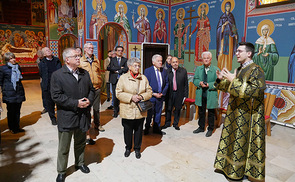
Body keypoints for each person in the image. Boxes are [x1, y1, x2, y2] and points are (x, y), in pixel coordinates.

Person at [214, 42, 266, 181]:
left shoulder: (257, 70)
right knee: (232, 140)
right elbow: (230, 86)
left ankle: (237, 171)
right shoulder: (239, 69)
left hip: (247, 115)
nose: (236, 53)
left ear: (249, 53)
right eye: (236, 51)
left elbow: (253, 91)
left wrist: (233, 80)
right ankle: (228, 167)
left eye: (239, 51)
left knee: (241, 142)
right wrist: (221, 80)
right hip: (235, 112)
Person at [51, 48, 95, 182]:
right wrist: (75, 103)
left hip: (83, 115)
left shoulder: (84, 73)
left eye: (78, 56)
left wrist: (89, 100)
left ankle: (80, 163)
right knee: (64, 146)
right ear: (67, 59)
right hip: (67, 116)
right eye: (75, 56)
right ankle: (61, 171)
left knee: (80, 143)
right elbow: (56, 96)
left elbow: (92, 90)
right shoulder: (58, 75)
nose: (78, 58)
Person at [116, 57, 152, 159]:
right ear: (130, 66)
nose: (137, 67)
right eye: (135, 65)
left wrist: (141, 97)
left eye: (139, 66)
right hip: (127, 109)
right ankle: (128, 148)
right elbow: (118, 93)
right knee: (127, 130)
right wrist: (131, 97)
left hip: (140, 110)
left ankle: (137, 148)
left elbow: (149, 91)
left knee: (139, 130)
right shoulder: (123, 78)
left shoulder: (143, 78)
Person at [192, 51, 219, 137]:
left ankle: (210, 129)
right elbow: (195, 79)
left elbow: (219, 82)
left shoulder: (216, 69)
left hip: (211, 93)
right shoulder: (199, 69)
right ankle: (201, 127)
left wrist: (209, 85)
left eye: (208, 58)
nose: (206, 60)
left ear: (210, 59)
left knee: (211, 112)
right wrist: (199, 83)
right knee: (201, 111)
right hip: (201, 93)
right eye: (204, 58)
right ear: (202, 59)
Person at [80, 43, 104, 135]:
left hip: (97, 88)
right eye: (89, 48)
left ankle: (97, 124)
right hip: (86, 89)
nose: (91, 49)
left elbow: (98, 72)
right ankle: (87, 126)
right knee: (87, 109)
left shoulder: (96, 60)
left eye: (92, 48)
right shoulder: (81, 61)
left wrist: (100, 82)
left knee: (97, 108)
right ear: (85, 49)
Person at [0, 52, 26, 134]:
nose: (13, 59)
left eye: (14, 57)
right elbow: (0, 81)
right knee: (11, 111)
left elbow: (20, 79)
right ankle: (12, 127)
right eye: (11, 58)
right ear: (7, 60)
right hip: (9, 92)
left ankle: (17, 126)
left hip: (18, 91)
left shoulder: (17, 66)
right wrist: (4, 91)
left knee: (18, 110)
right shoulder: (3, 69)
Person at [144, 54, 168, 135]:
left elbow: (167, 83)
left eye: (161, 61)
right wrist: (154, 94)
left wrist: (162, 93)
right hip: (151, 96)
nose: (160, 62)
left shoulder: (164, 71)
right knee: (149, 113)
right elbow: (146, 85)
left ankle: (156, 128)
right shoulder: (148, 71)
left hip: (160, 96)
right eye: (158, 61)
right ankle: (147, 128)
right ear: (153, 62)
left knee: (158, 113)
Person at [162, 57, 188, 131]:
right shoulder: (167, 71)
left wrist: (185, 95)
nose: (175, 63)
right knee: (168, 109)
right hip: (169, 94)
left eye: (176, 62)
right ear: (170, 63)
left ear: (178, 62)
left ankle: (176, 124)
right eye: (173, 62)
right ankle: (167, 123)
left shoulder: (183, 71)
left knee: (177, 109)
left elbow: (186, 84)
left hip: (179, 93)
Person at [38, 47, 62, 125]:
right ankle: (53, 118)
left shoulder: (57, 60)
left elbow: (61, 71)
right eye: (46, 51)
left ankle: (61, 117)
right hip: (47, 85)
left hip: (58, 84)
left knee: (60, 102)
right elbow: (41, 74)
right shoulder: (42, 63)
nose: (49, 51)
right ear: (44, 54)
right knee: (50, 103)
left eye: (49, 50)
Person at [216, 1, 238, 71]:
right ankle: (221, 67)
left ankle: (228, 68)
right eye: (226, 6)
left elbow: (234, 26)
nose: (227, 8)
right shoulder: (222, 17)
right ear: (225, 7)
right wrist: (223, 25)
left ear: (230, 7)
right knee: (221, 51)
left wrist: (235, 34)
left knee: (229, 52)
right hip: (223, 37)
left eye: (229, 6)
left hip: (230, 37)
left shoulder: (232, 16)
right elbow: (219, 28)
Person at [107, 46, 128, 118]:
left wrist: (118, 71)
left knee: (122, 95)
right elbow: (109, 68)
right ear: (116, 51)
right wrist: (120, 68)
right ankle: (115, 111)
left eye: (121, 50)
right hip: (114, 80)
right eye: (118, 50)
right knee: (115, 96)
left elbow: (126, 68)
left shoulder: (125, 60)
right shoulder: (112, 59)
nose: (120, 52)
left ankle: (123, 110)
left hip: (122, 80)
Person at [36, 49, 47, 114]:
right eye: (39, 57)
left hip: (49, 78)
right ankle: (45, 107)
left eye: (42, 57)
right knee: (44, 94)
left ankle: (52, 106)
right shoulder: (38, 60)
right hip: (43, 79)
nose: (40, 58)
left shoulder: (48, 59)